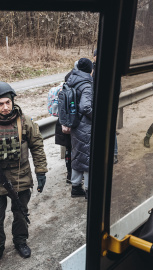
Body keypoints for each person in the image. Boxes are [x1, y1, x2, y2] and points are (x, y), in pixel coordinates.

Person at [0, 82, 47, 259]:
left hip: (20, 176)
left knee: (20, 212)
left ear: (13, 101)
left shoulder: (24, 121)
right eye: (0, 104)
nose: (5, 107)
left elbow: (37, 146)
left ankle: (20, 241)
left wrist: (41, 170)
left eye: (7, 103)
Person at [66, 58, 93, 199]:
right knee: (88, 158)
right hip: (86, 125)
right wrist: (96, 118)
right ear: (90, 70)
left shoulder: (71, 80)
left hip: (75, 124)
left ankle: (76, 187)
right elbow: (85, 107)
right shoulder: (87, 84)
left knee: (77, 156)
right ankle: (89, 190)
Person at [54, 72, 72, 184]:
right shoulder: (71, 93)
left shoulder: (61, 92)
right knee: (72, 151)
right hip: (69, 127)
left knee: (68, 151)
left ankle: (69, 174)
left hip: (60, 125)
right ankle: (72, 174)